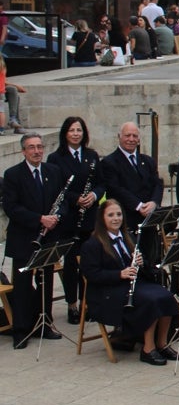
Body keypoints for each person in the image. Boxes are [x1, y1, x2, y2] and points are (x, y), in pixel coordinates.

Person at [79, 199, 179, 365]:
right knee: (151, 301)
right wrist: (120, 274)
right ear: (102, 218)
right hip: (108, 293)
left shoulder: (129, 237)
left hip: (132, 286)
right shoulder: (93, 244)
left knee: (167, 296)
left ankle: (161, 343)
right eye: (110, 215)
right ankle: (148, 348)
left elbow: (145, 268)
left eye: (118, 214)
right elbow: (92, 275)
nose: (116, 218)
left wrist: (141, 263)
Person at [3, 133, 68, 347]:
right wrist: (40, 219)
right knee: (22, 285)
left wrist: (56, 217)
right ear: (24, 151)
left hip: (49, 237)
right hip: (24, 238)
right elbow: (12, 208)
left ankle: (44, 324)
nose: (37, 151)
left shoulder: (53, 171)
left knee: (46, 282)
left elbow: (63, 201)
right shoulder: (13, 174)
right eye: (31, 147)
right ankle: (21, 330)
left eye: (40, 147)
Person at [46, 116, 104, 326]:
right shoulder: (55, 158)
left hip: (89, 216)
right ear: (65, 133)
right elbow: (56, 187)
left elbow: (100, 183)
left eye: (79, 130)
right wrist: (75, 199)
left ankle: (87, 303)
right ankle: (72, 304)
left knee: (88, 262)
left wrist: (94, 196)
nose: (76, 134)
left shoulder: (92, 156)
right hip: (69, 218)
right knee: (71, 264)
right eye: (72, 130)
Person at [99, 122, 165, 270]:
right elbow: (115, 189)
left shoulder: (148, 161)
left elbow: (157, 184)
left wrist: (154, 203)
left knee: (151, 263)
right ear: (119, 137)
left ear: (139, 139)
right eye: (127, 135)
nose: (131, 139)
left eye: (135, 136)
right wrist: (139, 205)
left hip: (149, 221)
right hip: (127, 221)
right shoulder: (109, 163)